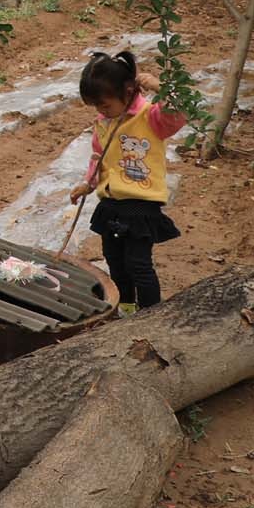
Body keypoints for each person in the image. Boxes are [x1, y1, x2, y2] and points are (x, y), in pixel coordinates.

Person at [68, 49, 184, 311]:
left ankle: (151, 313)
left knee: (138, 264)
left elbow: (178, 112)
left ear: (129, 91)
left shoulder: (151, 118)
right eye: (96, 106)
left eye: (105, 104)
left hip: (141, 205)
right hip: (111, 202)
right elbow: (99, 156)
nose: (100, 110)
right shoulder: (104, 122)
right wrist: (89, 183)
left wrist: (161, 87)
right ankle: (127, 308)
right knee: (114, 260)